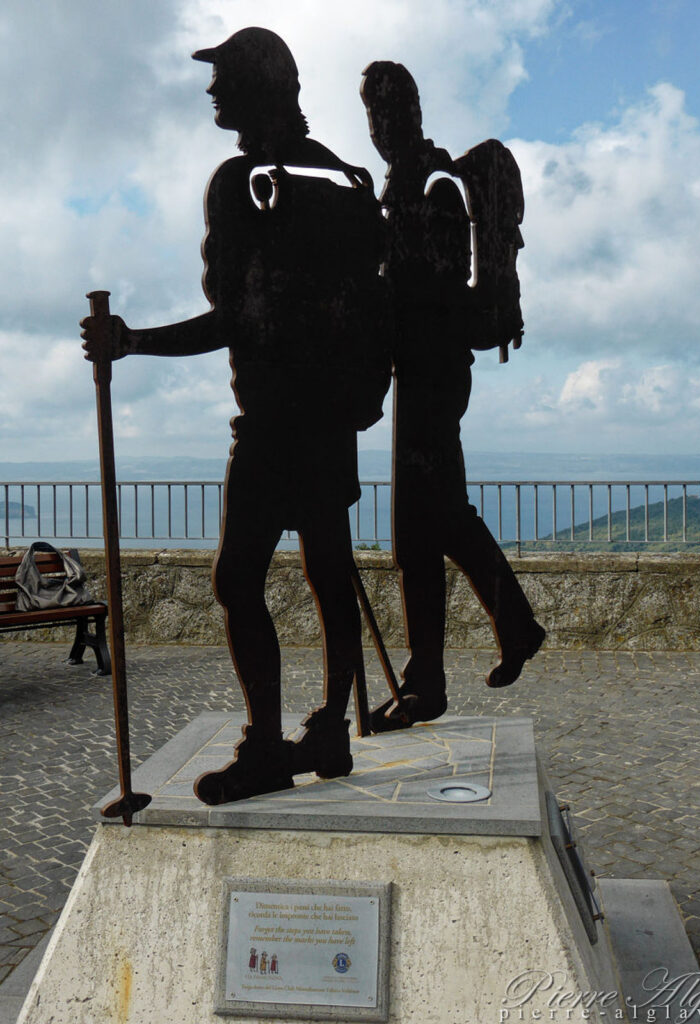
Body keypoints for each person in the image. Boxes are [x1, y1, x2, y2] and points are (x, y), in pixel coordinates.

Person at [82, 28, 390, 800]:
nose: (212, 92)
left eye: (224, 77)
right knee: (329, 570)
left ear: (263, 84)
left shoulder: (245, 181)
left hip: (276, 421)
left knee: (236, 579)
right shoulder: (351, 182)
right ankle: (329, 735)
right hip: (333, 422)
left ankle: (264, 745)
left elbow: (234, 320)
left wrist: (131, 342)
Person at [360, 61, 545, 732]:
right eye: (372, 117)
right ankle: (505, 631)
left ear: (408, 113)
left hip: (434, 373)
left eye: (386, 114)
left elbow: (436, 287)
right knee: (438, 523)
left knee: (421, 531)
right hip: (423, 372)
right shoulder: (409, 184)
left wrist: (383, 279)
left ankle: (430, 681)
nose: (379, 129)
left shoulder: (432, 188)